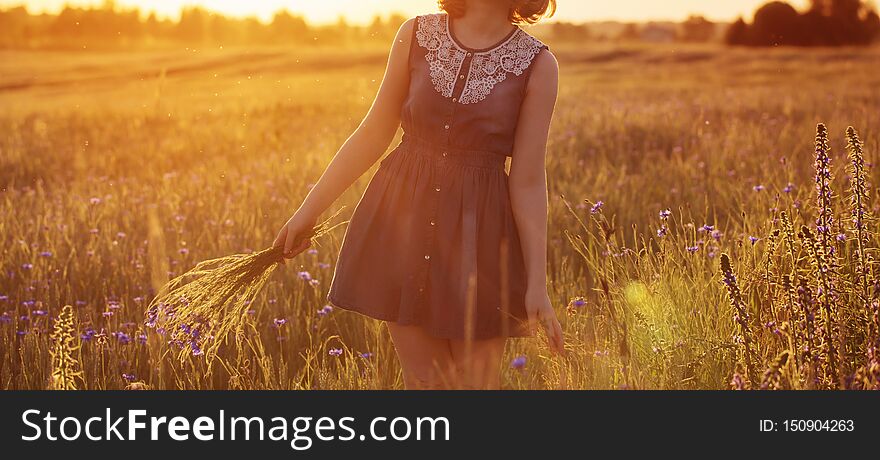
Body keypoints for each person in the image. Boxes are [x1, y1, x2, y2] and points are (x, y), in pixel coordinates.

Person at [274, 0, 563, 389]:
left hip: (480, 238)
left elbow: (527, 180)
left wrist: (537, 285)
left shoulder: (539, 65)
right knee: (427, 384)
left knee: (475, 386)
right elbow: (374, 131)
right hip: (402, 224)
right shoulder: (415, 34)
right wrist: (307, 213)